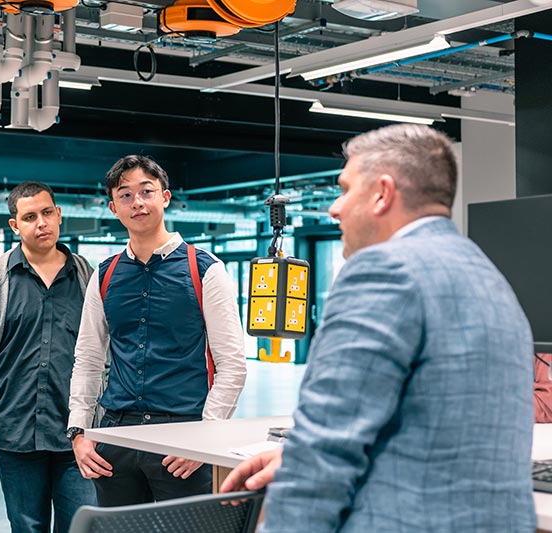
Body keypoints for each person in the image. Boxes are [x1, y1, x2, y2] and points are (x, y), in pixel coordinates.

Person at [220, 124, 536, 532]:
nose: (334, 208)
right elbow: (446, 429)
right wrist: (292, 456)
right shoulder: (490, 278)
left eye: (345, 188)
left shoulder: (384, 270)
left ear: (382, 193)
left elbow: (323, 450)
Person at [68, 155, 247, 506]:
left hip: (183, 439)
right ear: (113, 207)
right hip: (116, 439)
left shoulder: (206, 270)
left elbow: (232, 364)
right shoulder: (103, 276)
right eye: (125, 195)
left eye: (146, 191)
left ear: (165, 197)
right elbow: (88, 358)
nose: (137, 202)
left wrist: (206, 439)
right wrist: (79, 432)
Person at [0, 181, 97, 532]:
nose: (41, 223)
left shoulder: (87, 278)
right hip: (15, 435)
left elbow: (105, 354)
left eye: (47, 213)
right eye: (30, 216)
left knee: (80, 525)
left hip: (77, 435)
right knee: (27, 528)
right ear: (14, 225)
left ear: (59, 216)